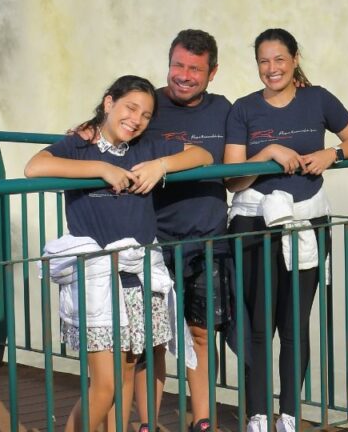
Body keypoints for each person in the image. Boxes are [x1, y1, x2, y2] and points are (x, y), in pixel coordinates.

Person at [26, 75, 212, 432]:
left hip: (137, 275)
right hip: (98, 279)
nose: (137, 119)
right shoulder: (79, 146)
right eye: (130, 107)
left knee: (128, 368)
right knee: (106, 384)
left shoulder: (145, 148)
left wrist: (162, 166)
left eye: (145, 114)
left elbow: (201, 154)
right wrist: (100, 169)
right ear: (109, 103)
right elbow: (35, 167)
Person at [224, 28, 348, 432]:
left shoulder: (318, 99)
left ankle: (288, 414)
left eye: (279, 60)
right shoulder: (243, 109)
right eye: (263, 61)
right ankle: (257, 414)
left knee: (294, 324)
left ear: (294, 60)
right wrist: (267, 153)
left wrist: (331, 153)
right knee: (258, 326)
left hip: (307, 221)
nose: (271, 69)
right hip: (254, 223)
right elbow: (233, 180)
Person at [131, 30, 233, 432]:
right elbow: (108, 132)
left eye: (195, 68)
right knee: (150, 339)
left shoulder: (226, 110)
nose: (184, 75)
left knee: (202, 333)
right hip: (151, 241)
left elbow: (245, 154)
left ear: (212, 73)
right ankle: (148, 424)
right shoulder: (148, 106)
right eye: (178, 65)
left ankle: (202, 421)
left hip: (208, 239)